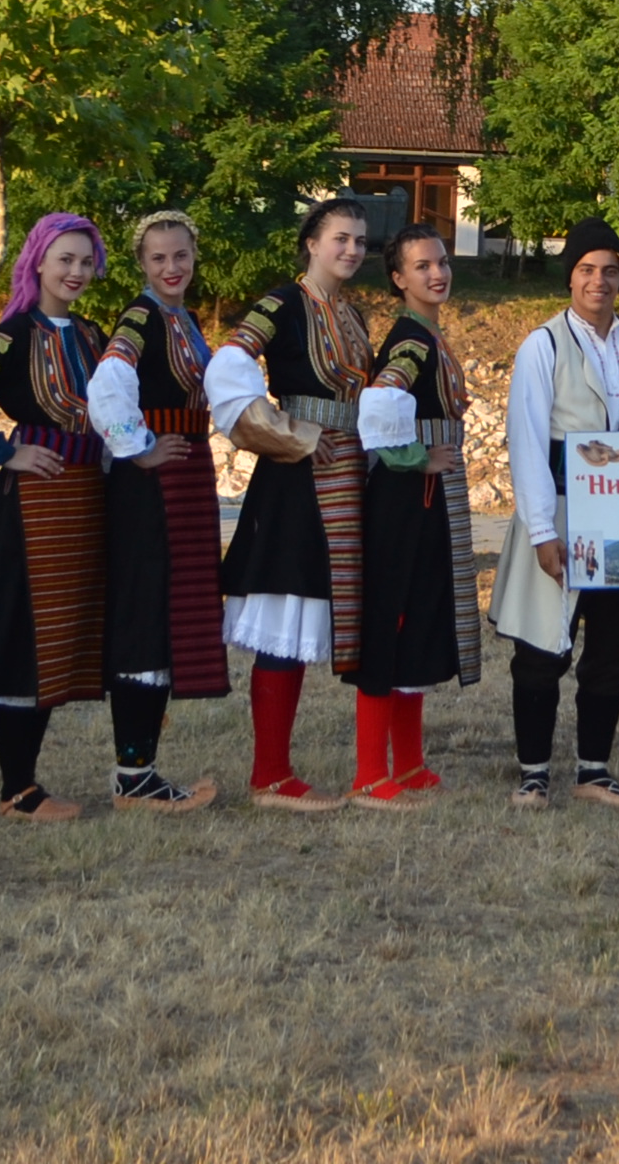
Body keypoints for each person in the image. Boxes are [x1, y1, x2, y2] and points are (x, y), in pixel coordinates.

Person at [0, 213, 117, 823]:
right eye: (65, 259)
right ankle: (18, 789)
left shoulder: (92, 334)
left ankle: (28, 781)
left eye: (86, 261)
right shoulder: (12, 333)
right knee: (25, 636)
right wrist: (3, 453)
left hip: (87, 497)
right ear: (38, 261)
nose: (76, 272)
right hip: (34, 504)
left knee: (63, 636)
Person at [203, 196, 372, 813]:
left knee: (308, 614)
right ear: (312, 242)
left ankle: (278, 772)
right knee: (286, 613)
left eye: (360, 241)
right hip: (298, 477)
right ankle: (270, 775)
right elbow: (227, 364)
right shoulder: (280, 303)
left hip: (349, 472)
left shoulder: (354, 314)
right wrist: (284, 432)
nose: (351, 249)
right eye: (340, 238)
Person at [488, 217, 619, 810]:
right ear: (570, 277)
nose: (598, 281)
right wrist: (541, 529)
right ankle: (533, 774)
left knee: (611, 648)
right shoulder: (544, 344)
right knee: (542, 646)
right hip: (557, 507)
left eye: (610, 270)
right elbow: (527, 440)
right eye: (587, 269)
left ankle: (593, 771)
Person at [84, 210, 230, 813]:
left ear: (195, 256)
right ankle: (133, 775)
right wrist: (139, 448)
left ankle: (141, 770)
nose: (172, 267)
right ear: (142, 264)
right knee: (146, 615)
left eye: (181, 255)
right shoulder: (140, 318)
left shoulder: (183, 319)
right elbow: (106, 386)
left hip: (186, 478)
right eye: (159, 258)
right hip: (152, 487)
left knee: (169, 615)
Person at [335, 222, 483, 807]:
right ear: (398, 278)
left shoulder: (426, 333)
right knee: (391, 621)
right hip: (404, 502)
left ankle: (411, 762)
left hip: (424, 500)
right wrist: (415, 457)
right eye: (422, 266)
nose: (437, 273)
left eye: (441, 261)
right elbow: (377, 402)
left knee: (417, 616)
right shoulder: (411, 341)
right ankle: (370, 772)